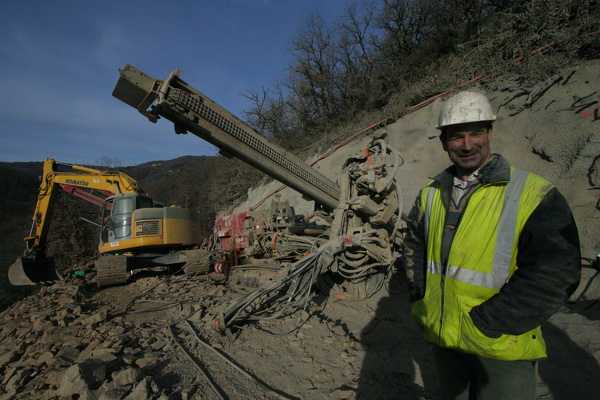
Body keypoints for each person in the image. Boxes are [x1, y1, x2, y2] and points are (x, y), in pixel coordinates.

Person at [402, 90, 581, 400]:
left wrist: (491, 322)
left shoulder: (533, 194)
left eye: (476, 133)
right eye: (457, 136)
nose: (467, 144)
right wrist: (421, 301)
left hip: (499, 345)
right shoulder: (430, 194)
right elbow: (413, 247)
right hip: (444, 336)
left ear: (490, 133)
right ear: (444, 142)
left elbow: (556, 273)